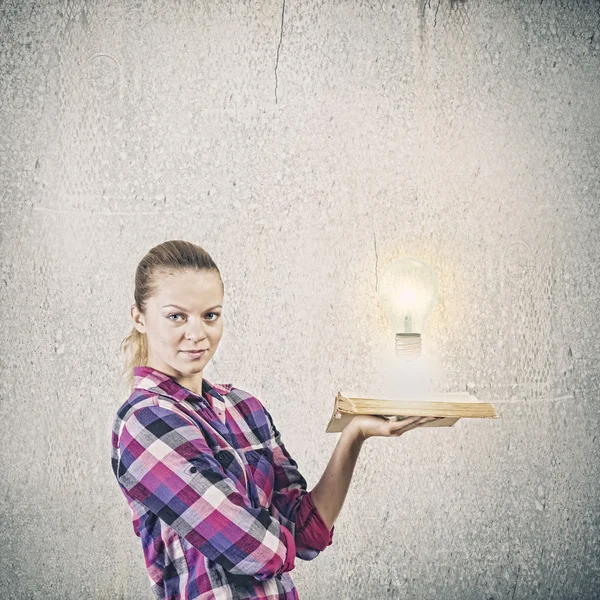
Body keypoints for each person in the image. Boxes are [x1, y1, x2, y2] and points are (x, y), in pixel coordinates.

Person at [111, 239, 441, 600]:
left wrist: (355, 433)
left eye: (210, 315)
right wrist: (277, 536)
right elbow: (248, 548)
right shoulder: (145, 422)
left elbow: (307, 533)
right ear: (139, 318)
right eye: (176, 316)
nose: (197, 333)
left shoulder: (245, 408)